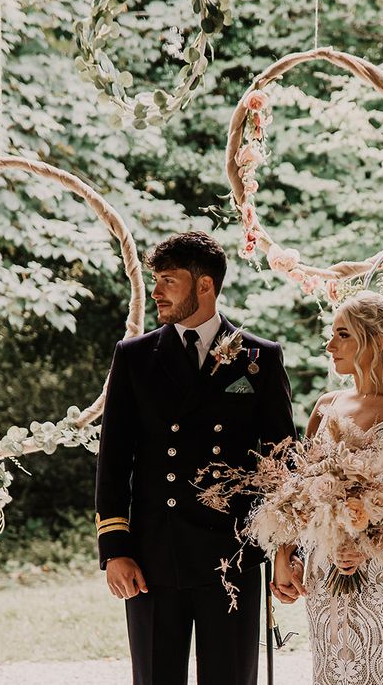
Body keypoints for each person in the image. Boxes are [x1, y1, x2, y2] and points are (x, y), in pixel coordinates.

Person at [95, 231, 295, 685]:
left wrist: (286, 549)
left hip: (233, 557)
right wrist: (115, 550)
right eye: (155, 280)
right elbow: (113, 462)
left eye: (168, 281)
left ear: (205, 286)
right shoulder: (134, 357)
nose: (157, 292)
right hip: (151, 558)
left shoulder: (259, 358)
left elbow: (284, 462)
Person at [271, 291, 383, 685]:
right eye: (332, 335)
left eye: (343, 334)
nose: (330, 345)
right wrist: (286, 554)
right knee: (333, 668)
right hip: (325, 558)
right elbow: (300, 489)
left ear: (377, 342)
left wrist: (373, 542)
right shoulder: (326, 404)